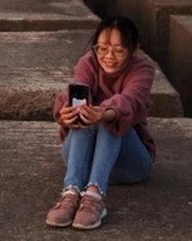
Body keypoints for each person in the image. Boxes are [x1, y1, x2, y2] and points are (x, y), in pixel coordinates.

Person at [45, 16, 155, 230]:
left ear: (133, 50)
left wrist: (104, 113)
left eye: (118, 50)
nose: (109, 57)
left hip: (128, 164)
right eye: (102, 49)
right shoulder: (88, 62)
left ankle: (94, 196)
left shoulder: (142, 71)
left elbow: (129, 101)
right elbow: (76, 89)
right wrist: (66, 111)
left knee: (111, 118)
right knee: (82, 114)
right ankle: (72, 192)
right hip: (83, 161)